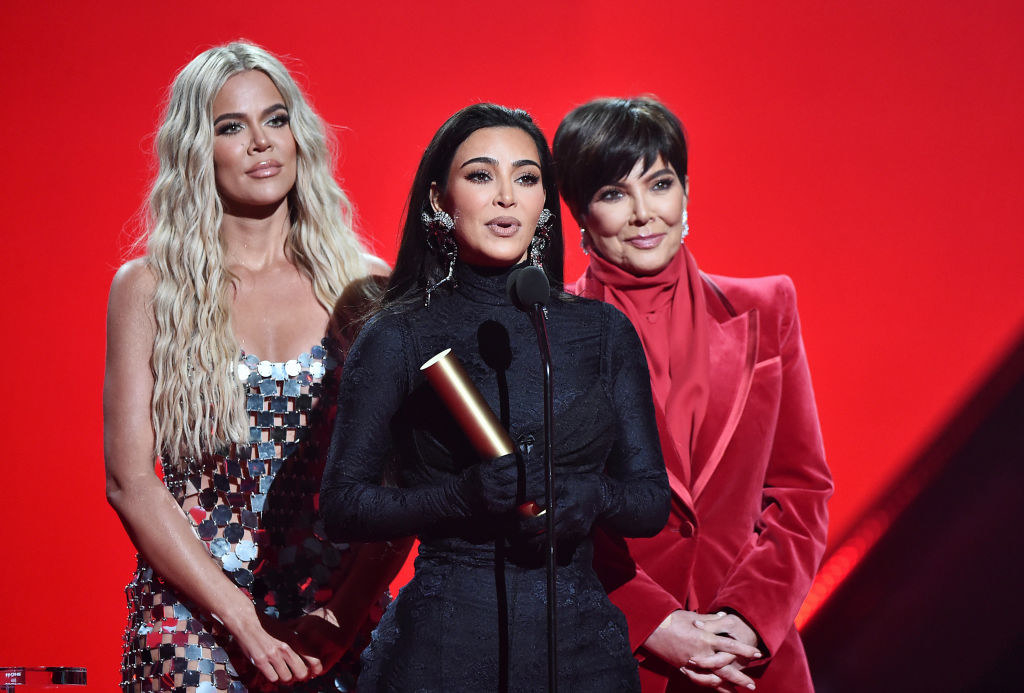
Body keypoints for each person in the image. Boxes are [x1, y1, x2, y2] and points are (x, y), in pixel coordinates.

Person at [319, 103, 671, 692]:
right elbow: (343, 506)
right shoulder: (400, 333)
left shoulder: (602, 333)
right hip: (443, 650)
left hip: (583, 655)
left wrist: (591, 494)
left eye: (527, 178)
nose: (507, 196)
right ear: (439, 199)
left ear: (544, 201)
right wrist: (459, 497)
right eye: (482, 175)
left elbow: (650, 503)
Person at [104, 42, 408, 693]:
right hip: (192, 627)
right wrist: (241, 619)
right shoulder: (149, 288)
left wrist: (345, 614)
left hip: (334, 625)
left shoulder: (367, 289)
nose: (261, 144)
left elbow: (401, 482)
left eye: (275, 120)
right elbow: (131, 481)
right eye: (231, 127)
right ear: (197, 149)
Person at [553, 97, 833, 693]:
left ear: (685, 194)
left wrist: (746, 621)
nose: (642, 213)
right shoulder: (547, 335)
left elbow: (801, 490)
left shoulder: (767, 308)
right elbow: (547, 514)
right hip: (618, 660)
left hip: (751, 666)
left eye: (659, 183)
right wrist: (653, 621)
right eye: (612, 193)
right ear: (579, 213)